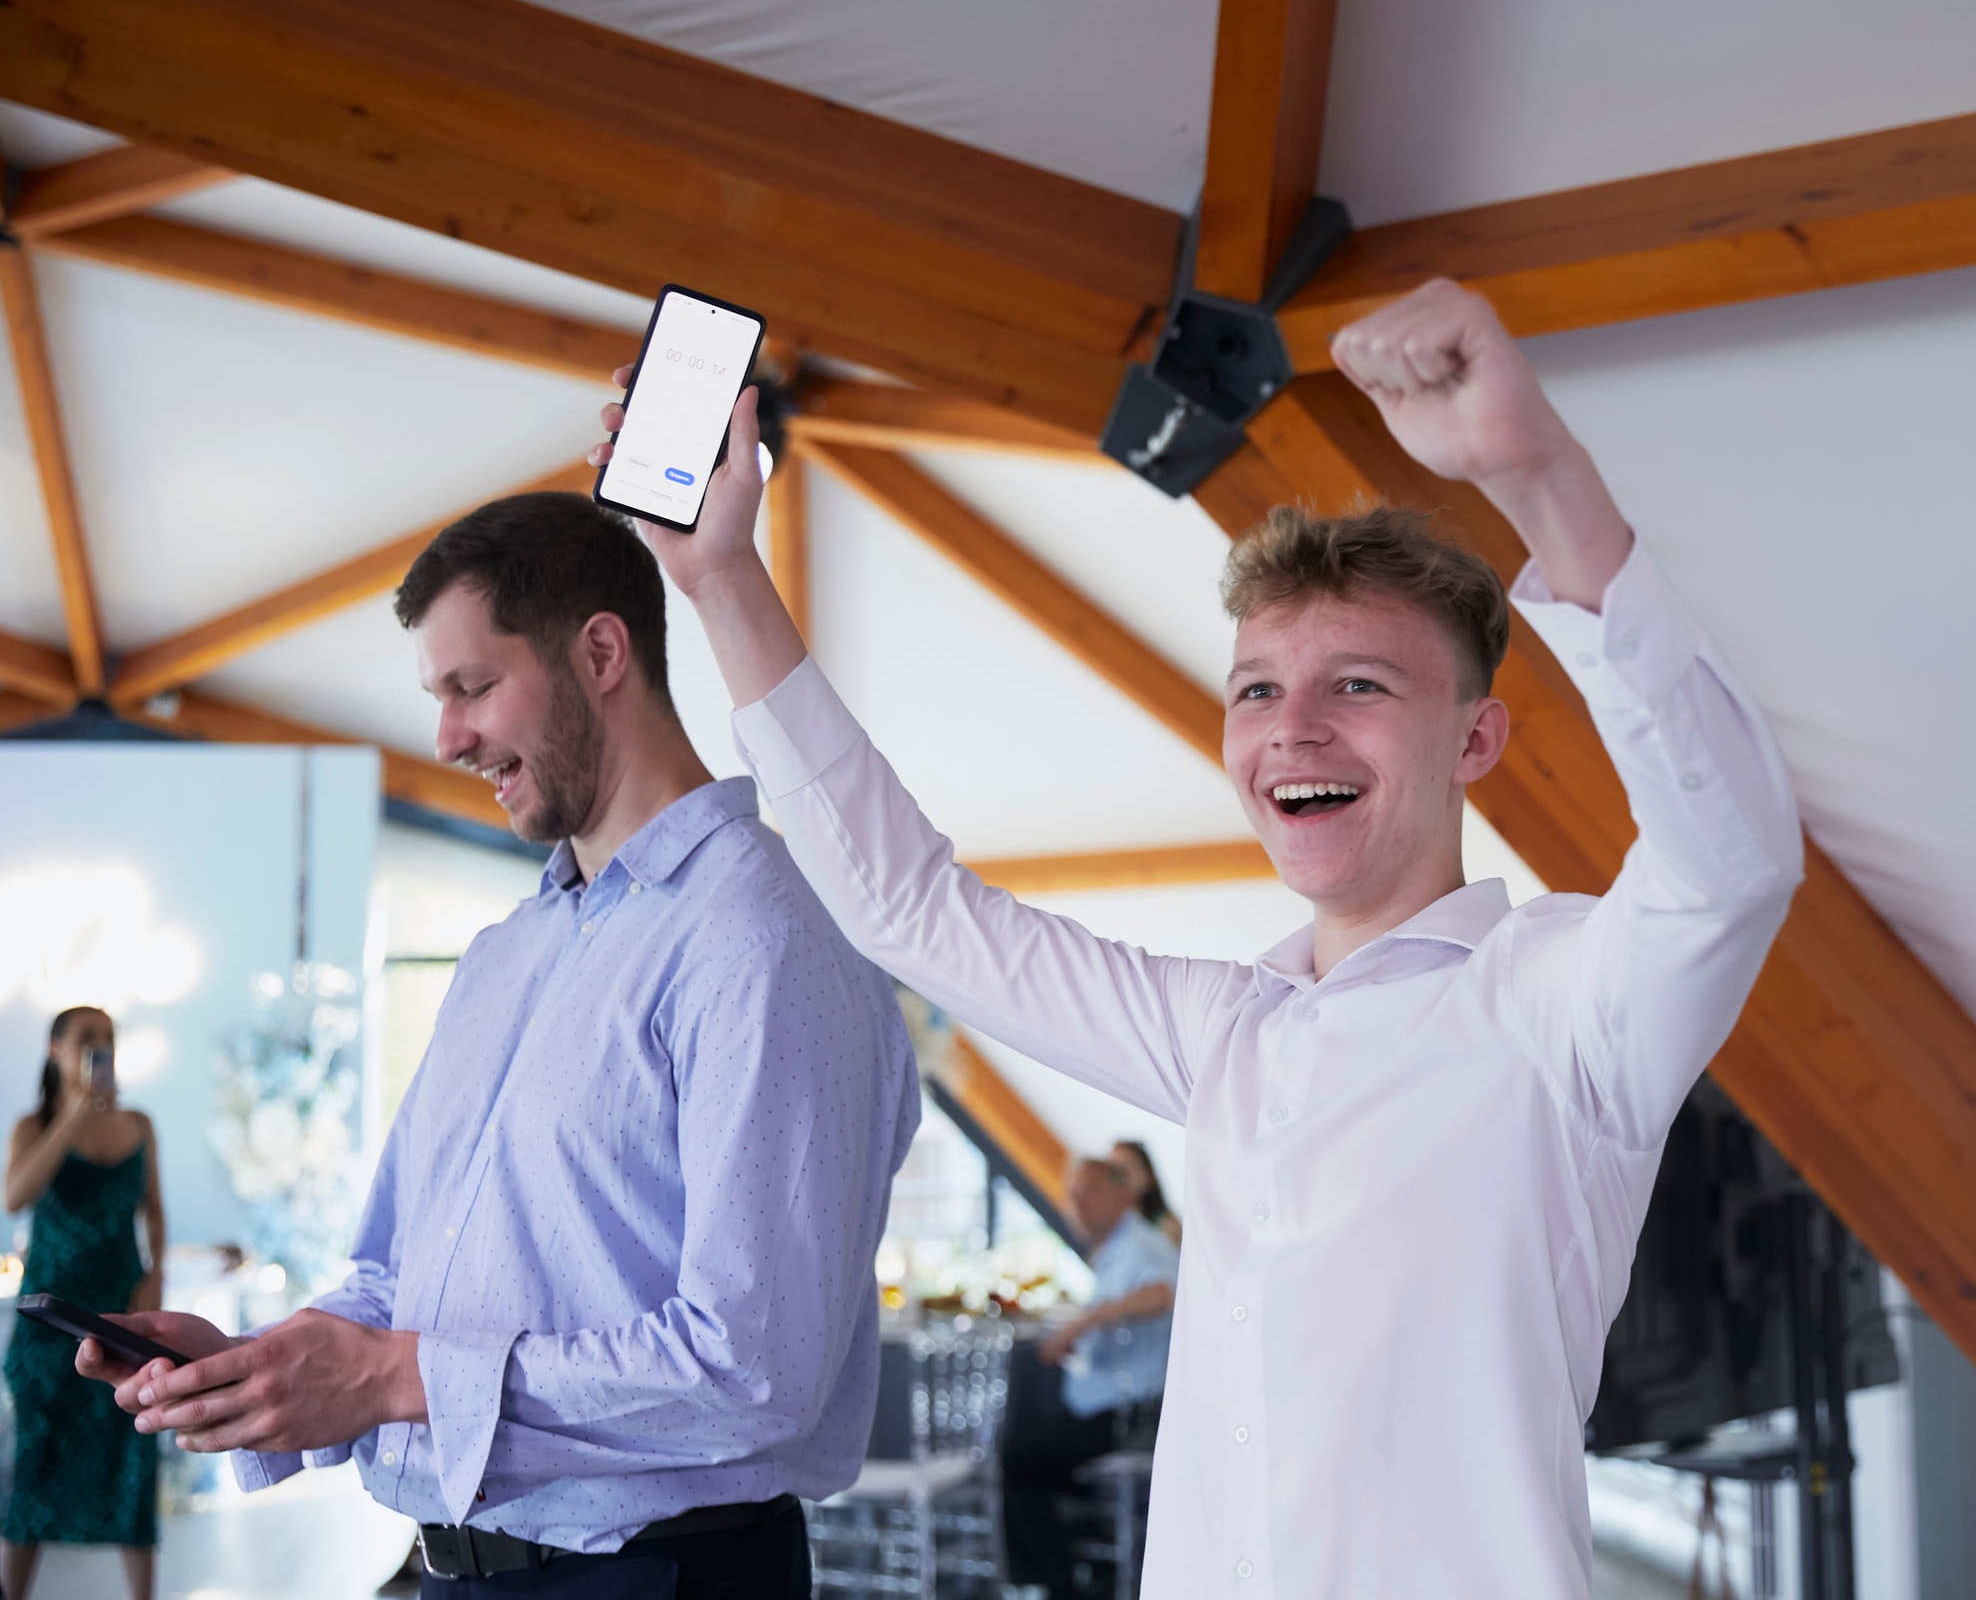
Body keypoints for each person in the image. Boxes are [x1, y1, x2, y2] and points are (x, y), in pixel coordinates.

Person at [598, 276, 1803, 1593]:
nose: (1294, 727)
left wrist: (1541, 476)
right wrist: (716, 577)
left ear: (1476, 739)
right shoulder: (1225, 1030)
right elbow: (911, 908)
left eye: (1361, 685)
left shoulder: (1564, 1003)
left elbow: (1729, 860)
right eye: (1258, 690)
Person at [78, 494, 921, 1599]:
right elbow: (398, 1274)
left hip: (663, 1577)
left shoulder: (764, 934)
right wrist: (274, 1365)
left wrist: (395, 1377)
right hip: (450, 1569)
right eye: (439, 698)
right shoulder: (502, 955)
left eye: (473, 687)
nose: (447, 739)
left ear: (602, 651)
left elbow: (754, 1367)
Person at [5, 1007, 164, 1600]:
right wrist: (69, 1121)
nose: (101, 1047)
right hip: (49, 1322)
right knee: (36, 1465)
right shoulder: (33, 1125)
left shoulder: (141, 1123)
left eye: (109, 1037)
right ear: (56, 1050)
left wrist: (156, 1272)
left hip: (122, 1315)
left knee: (133, 1458)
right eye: (86, 1037)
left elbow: (155, 1209)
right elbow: (14, 1197)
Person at [1006, 1157, 1178, 1597]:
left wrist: (1087, 1321)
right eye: (1073, 1194)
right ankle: (1069, 1573)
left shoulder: (1142, 1244)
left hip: (1134, 1418)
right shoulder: (1113, 1252)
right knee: (1026, 1455)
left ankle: (1058, 1585)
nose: (1078, 1204)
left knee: (1019, 1454)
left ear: (1125, 1195)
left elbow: (1162, 1293)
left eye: (1091, 1191)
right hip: (1110, 1412)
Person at [1107, 1140, 1180, 1248]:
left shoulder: (1168, 1228)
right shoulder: (1112, 1231)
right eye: (1111, 1173)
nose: (1118, 1182)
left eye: (1123, 1171)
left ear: (1147, 1175)